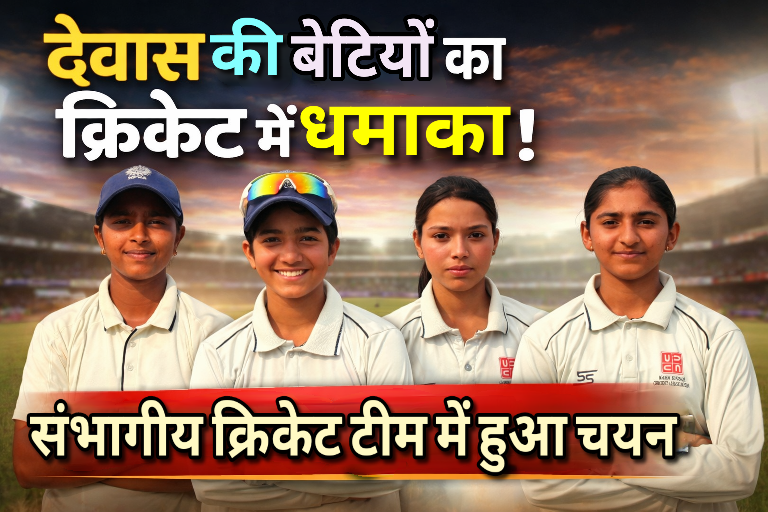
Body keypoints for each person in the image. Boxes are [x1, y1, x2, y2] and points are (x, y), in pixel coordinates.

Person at [512, 166, 763, 511]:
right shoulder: (544, 339)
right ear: (587, 234)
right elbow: (538, 481)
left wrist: (588, 450)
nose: (628, 237)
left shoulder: (717, 335)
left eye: (645, 221)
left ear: (671, 234)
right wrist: (673, 457)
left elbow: (739, 472)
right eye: (611, 222)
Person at [189, 171, 414, 511]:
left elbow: (394, 469)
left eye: (308, 238)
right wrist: (335, 485)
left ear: (332, 249)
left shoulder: (379, 341)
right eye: (272, 240)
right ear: (250, 253)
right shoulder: (217, 353)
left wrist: (256, 470)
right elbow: (209, 484)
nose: (291, 256)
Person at [12, 165, 232, 512]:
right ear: (100, 237)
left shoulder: (218, 334)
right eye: (122, 221)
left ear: (179, 238)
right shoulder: (58, 330)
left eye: (157, 221)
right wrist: (162, 457)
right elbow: (30, 464)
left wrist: (81, 453)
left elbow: (225, 472)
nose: (140, 235)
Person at [384, 176, 546, 512]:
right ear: (418, 241)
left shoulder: (543, 332)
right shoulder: (385, 337)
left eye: (475, 235)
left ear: (495, 239)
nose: (460, 251)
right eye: (441, 236)